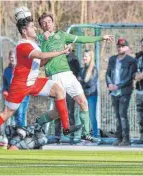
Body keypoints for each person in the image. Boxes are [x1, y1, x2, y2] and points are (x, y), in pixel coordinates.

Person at [0, 16, 81, 156]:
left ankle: (66, 128)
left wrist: (57, 53)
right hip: (20, 85)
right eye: (32, 26)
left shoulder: (32, 44)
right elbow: (41, 55)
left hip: (33, 81)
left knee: (58, 90)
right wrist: (61, 52)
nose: (35, 28)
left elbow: (41, 62)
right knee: (7, 113)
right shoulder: (23, 46)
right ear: (24, 31)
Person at [36, 13, 113, 142]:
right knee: (57, 112)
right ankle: (38, 122)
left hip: (68, 75)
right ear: (41, 26)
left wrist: (101, 37)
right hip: (55, 77)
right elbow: (40, 61)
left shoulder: (62, 35)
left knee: (83, 102)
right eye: (44, 22)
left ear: (53, 23)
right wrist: (43, 40)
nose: (47, 24)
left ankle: (86, 133)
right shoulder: (40, 39)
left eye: (49, 21)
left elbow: (82, 39)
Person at [106, 38, 137, 146]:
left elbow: (129, 77)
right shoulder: (112, 59)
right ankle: (119, 138)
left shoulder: (131, 61)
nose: (120, 48)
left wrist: (118, 86)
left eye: (122, 46)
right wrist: (109, 84)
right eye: (118, 46)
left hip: (124, 91)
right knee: (117, 115)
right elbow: (108, 73)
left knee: (122, 114)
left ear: (127, 47)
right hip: (114, 92)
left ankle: (126, 139)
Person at [54, 45, 81, 142]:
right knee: (57, 113)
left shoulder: (73, 58)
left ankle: (71, 136)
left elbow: (77, 74)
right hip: (58, 88)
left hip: (69, 89)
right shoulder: (58, 57)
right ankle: (57, 136)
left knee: (69, 112)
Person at [3, 50, 30, 127]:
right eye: (11, 57)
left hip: (22, 96)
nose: (13, 59)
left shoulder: (23, 68)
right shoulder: (7, 70)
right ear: (9, 58)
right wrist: (5, 90)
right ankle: (17, 132)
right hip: (11, 96)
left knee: (21, 114)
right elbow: (5, 84)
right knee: (15, 115)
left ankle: (21, 132)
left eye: (15, 57)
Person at [79, 49, 99, 138]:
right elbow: (77, 80)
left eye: (86, 56)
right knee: (84, 116)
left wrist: (82, 81)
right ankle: (85, 135)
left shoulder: (94, 69)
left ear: (90, 57)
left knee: (92, 116)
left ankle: (96, 135)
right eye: (83, 56)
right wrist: (83, 81)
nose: (84, 58)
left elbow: (91, 83)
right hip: (83, 96)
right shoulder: (82, 69)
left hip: (92, 95)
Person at [135, 38, 143, 144]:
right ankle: (141, 137)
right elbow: (134, 72)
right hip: (139, 90)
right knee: (140, 116)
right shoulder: (138, 57)